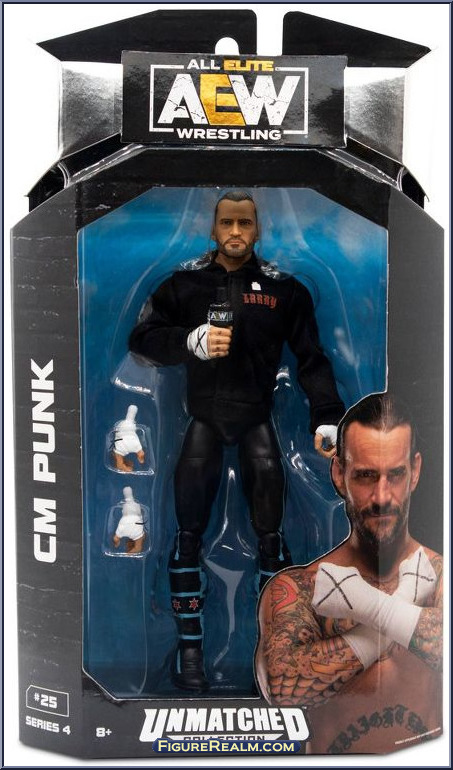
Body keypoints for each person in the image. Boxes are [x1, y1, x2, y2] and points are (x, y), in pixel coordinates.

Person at [129, 190, 345, 691]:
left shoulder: (285, 290)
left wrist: (327, 418)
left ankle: (276, 652)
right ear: (212, 228)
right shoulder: (184, 284)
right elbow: (141, 340)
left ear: (257, 229)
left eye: (244, 223)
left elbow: (311, 357)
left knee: (272, 540)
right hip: (203, 420)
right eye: (226, 222)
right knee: (188, 537)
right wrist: (190, 342)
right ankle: (189, 652)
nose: (235, 232)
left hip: (256, 422)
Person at [255, 392, 443, 754]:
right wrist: (400, 606)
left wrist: (364, 605)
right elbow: (282, 686)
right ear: (339, 474)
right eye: (366, 476)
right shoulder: (302, 588)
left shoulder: (441, 576)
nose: (382, 496)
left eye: (396, 474)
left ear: (415, 471)